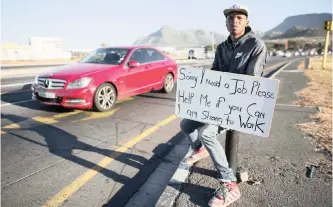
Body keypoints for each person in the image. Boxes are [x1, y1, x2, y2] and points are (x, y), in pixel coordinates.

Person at [180, 4, 267, 207]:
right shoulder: (222, 47)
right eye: (230, 18)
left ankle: (229, 184)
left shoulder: (256, 45)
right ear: (226, 22)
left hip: (240, 107)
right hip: (219, 102)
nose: (234, 21)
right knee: (186, 125)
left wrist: (227, 88)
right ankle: (200, 149)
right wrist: (200, 76)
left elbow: (252, 81)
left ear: (246, 21)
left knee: (208, 133)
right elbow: (216, 73)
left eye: (239, 17)